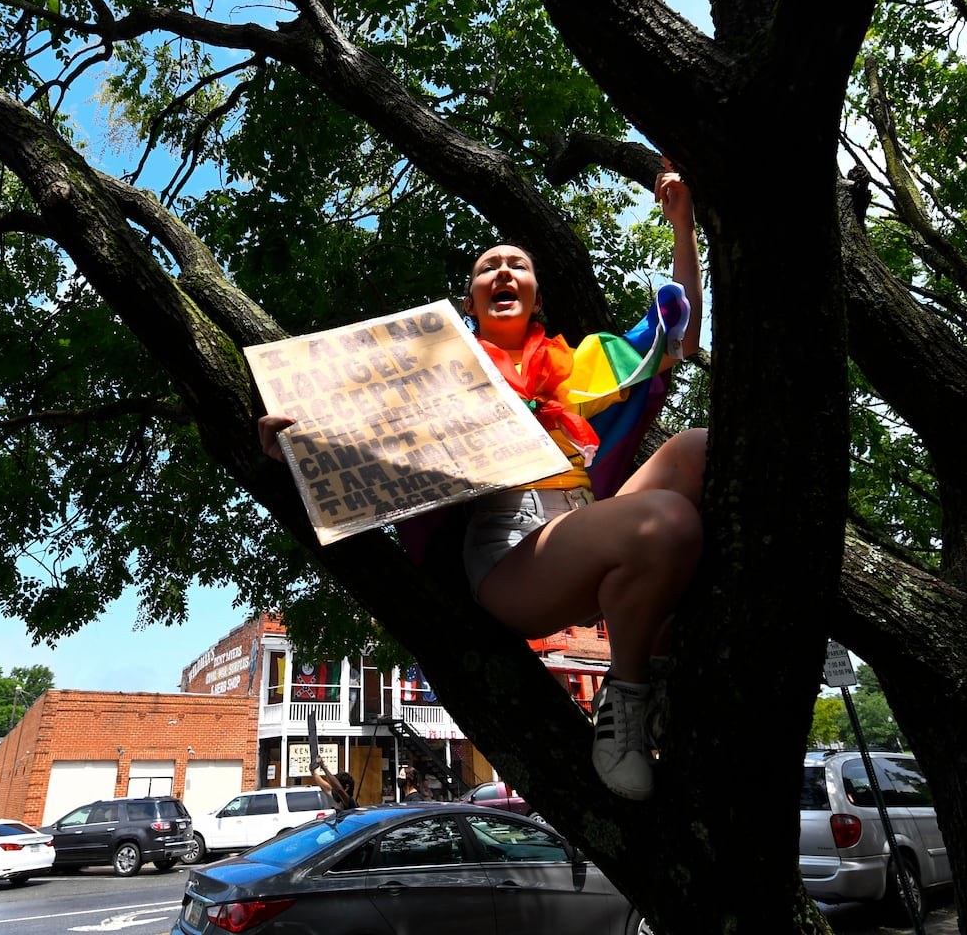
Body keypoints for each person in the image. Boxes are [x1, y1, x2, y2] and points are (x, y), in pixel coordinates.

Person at [260, 167, 706, 802]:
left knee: (699, 452)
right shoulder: (430, 376)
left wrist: (682, 223)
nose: (503, 272)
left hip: (590, 526)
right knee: (667, 519)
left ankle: (661, 649)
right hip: (513, 560)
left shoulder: (578, 366)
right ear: (468, 302)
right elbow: (356, 429)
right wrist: (293, 446)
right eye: (487, 268)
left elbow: (678, 331)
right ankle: (625, 702)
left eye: (517, 265)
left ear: (536, 296)